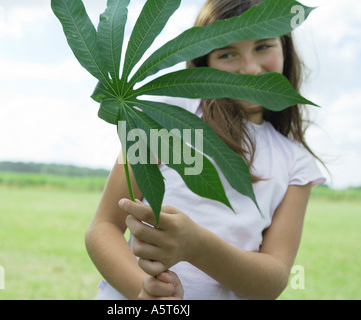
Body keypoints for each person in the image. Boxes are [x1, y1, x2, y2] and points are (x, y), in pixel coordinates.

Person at [85, 0, 325, 300]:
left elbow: (272, 281)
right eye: (227, 53)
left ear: (285, 48)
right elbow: (104, 226)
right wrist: (144, 292)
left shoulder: (295, 163)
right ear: (203, 63)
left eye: (263, 46)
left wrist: (198, 246)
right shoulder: (163, 118)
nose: (249, 68)